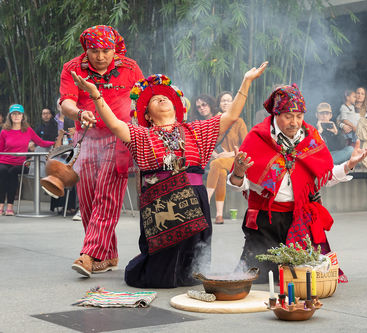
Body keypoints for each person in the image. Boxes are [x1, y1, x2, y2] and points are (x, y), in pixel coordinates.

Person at [72, 61, 268, 287]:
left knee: (193, 267)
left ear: (176, 107)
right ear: (147, 113)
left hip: (195, 199)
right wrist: (96, 94)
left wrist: (246, 81)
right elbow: (115, 125)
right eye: (155, 99)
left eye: (165, 98)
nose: (162, 99)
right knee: (158, 273)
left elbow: (231, 116)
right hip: (160, 204)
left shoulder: (196, 130)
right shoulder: (142, 135)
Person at [228, 84, 367, 282]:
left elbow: (324, 177)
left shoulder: (311, 138)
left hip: (299, 221)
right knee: (258, 278)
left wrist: (348, 165)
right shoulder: (257, 137)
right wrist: (238, 173)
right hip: (265, 223)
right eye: (288, 116)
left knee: (306, 278)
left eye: (299, 116)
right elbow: (241, 184)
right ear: (276, 114)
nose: (294, 122)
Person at [59, 25, 144, 277]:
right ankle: (108, 255)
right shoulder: (72, 67)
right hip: (85, 137)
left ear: (114, 48)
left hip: (118, 138)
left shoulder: (130, 67)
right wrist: (79, 113)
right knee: (86, 201)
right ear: (86, 49)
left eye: (106, 50)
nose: (101, 56)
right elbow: (66, 102)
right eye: (95, 51)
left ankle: (89, 254)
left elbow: (143, 97)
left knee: (106, 195)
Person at [0, 104, 56, 216]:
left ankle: (10, 206)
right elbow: (0, 149)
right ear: (10, 116)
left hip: (21, 163)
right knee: (3, 171)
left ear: (22, 116)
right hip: (5, 161)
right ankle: (1, 205)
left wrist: (56, 143)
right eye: (14, 114)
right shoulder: (4, 131)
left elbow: (41, 142)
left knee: (12, 172)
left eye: (19, 114)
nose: (16, 116)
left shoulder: (28, 130)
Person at [206, 91, 248, 224]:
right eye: (223, 100)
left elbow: (246, 145)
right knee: (221, 173)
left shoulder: (239, 122)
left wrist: (229, 154)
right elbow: (207, 142)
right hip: (218, 158)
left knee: (216, 164)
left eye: (229, 100)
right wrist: (214, 154)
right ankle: (219, 215)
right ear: (219, 103)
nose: (226, 103)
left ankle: (204, 205)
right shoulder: (214, 120)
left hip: (234, 159)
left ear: (233, 103)